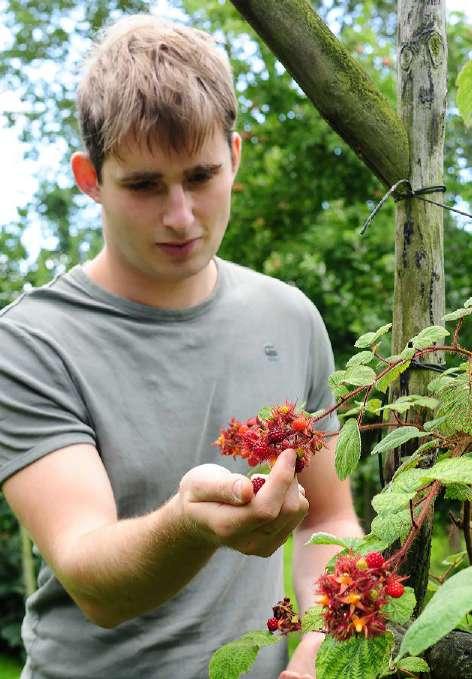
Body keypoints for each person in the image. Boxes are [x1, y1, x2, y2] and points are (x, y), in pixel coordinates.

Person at [0, 14, 362, 679]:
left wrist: (318, 648)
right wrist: (188, 523)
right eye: (143, 185)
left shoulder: (290, 316)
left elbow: (330, 517)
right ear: (90, 178)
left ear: (236, 156)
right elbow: (92, 581)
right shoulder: (28, 343)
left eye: (200, 175)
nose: (181, 216)